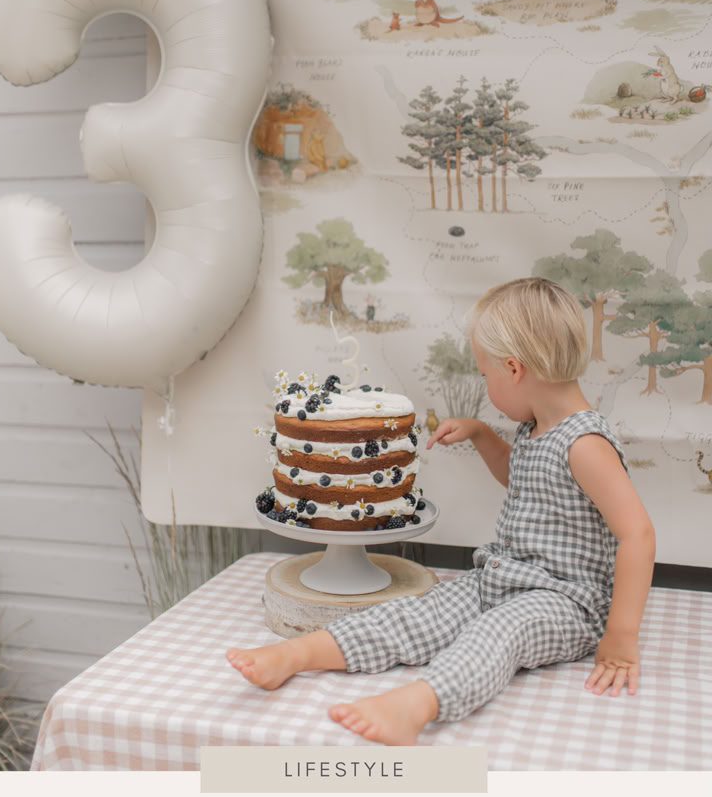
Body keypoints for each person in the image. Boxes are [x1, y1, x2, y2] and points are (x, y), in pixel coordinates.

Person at [227, 277, 656, 745]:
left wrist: (621, 635)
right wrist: (480, 433)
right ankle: (296, 655)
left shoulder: (585, 444)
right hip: (503, 578)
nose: (485, 383)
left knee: (497, 634)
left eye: (485, 374)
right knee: (417, 614)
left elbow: (637, 535)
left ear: (513, 369)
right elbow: (525, 482)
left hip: (564, 602)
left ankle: (417, 703)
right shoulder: (536, 430)